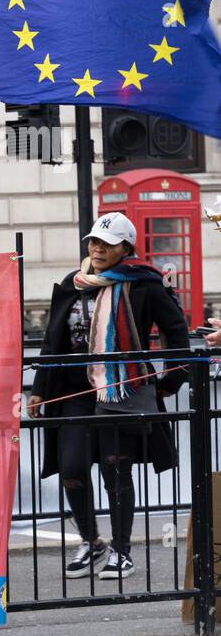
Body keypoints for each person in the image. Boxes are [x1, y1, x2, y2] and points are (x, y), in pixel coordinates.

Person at [28, 213, 189, 580]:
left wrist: (170, 380)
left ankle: (121, 550)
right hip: (74, 390)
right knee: (71, 468)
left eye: (107, 243)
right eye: (93, 242)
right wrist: (38, 390)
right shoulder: (74, 283)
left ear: (125, 249)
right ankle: (91, 541)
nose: (97, 248)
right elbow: (54, 340)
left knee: (116, 470)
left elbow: (175, 332)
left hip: (121, 389)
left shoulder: (145, 284)